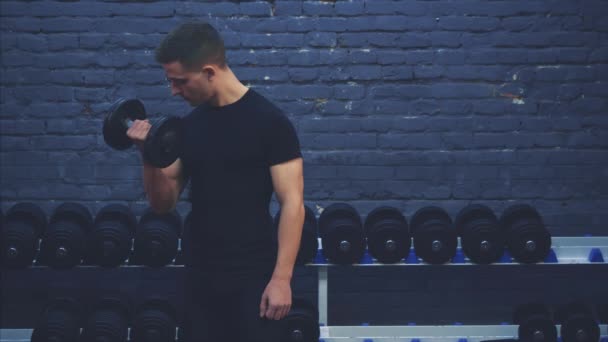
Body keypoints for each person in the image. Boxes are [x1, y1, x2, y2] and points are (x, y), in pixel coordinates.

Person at [126, 21, 305, 341]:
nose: (174, 91)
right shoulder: (189, 128)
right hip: (200, 276)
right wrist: (148, 156)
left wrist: (281, 278)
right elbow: (163, 203)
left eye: (180, 81)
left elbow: (292, 203)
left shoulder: (270, 122)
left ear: (209, 71)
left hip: (254, 277)